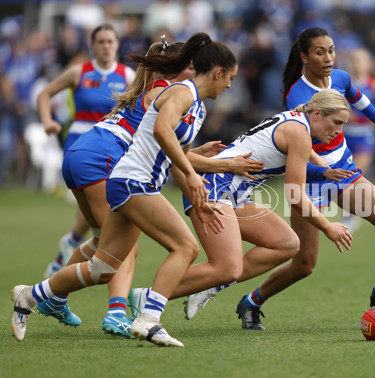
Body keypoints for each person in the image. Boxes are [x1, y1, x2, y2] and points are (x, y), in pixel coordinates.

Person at [11, 32, 236, 347]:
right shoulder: (174, 92)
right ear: (204, 69)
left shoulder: (183, 99)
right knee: (183, 247)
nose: (230, 85)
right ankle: (133, 316)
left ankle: (33, 295)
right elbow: (163, 140)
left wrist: (205, 163)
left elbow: (165, 147)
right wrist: (200, 170)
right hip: (113, 164)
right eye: (230, 77)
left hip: (97, 159)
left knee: (103, 261)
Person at [185, 27, 375, 329]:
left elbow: (362, 102)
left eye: (331, 50)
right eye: (320, 52)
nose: (328, 57)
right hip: (309, 180)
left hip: (342, 172)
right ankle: (249, 300)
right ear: (304, 57)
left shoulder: (341, 79)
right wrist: (325, 172)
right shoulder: (298, 95)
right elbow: (301, 149)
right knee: (304, 264)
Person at [128, 90, 354, 328]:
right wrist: (328, 227)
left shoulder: (296, 122)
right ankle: (149, 297)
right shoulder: (299, 133)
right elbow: (295, 195)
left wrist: (324, 170)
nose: (339, 130)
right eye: (337, 122)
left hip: (232, 193)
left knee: (287, 243)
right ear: (317, 113)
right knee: (227, 268)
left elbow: (302, 157)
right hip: (214, 189)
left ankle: (203, 286)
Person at [33, 38, 191, 339]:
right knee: (123, 245)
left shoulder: (144, 88)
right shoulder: (164, 93)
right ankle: (116, 313)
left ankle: (55, 298)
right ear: (175, 68)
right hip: (101, 159)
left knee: (99, 241)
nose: (193, 74)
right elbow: (168, 146)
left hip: (81, 153)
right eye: (190, 67)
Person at [38, 24, 135, 280]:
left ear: (117, 44)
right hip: (80, 141)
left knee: (97, 207)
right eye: (101, 41)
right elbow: (45, 94)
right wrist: (48, 122)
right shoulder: (79, 72)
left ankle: (68, 248)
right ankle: (108, 294)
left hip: (112, 142)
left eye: (110, 41)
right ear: (92, 46)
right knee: (99, 204)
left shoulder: (127, 75)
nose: (106, 46)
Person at [342, 47, 375, 231]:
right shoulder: (342, 84)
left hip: (364, 135)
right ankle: (346, 210)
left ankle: (350, 215)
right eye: (354, 59)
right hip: (344, 134)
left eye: (361, 60)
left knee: (355, 174)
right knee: (342, 174)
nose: (357, 63)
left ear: (368, 63)